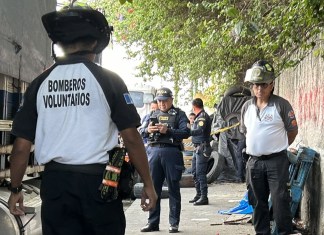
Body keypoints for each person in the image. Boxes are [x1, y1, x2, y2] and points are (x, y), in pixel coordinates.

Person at [7, 4, 157, 235]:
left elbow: (21, 147)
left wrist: (16, 188)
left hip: (56, 184)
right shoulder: (109, 80)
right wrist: (147, 183)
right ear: (96, 44)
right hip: (100, 182)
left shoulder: (40, 84)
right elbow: (131, 138)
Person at [240, 60, 298, 235]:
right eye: (256, 85)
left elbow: (292, 131)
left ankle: (284, 232)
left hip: (276, 162)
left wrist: (277, 147)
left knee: (281, 202)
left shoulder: (281, 105)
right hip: (254, 163)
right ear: (252, 86)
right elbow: (245, 132)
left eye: (264, 84)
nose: (259, 89)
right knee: (257, 203)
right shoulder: (246, 107)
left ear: (272, 84)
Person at [140, 87, 190, 233]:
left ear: (171, 100)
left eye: (165, 101)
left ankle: (174, 223)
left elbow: (186, 132)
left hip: (171, 153)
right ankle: (153, 222)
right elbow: (140, 131)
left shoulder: (180, 114)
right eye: (159, 101)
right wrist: (148, 130)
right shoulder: (152, 114)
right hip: (154, 152)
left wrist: (168, 130)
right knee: (153, 189)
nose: (162, 104)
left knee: (173, 189)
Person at [189, 98, 212, 205]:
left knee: (200, 173)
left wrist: (188, 131)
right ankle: (198, 194)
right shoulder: (199, 117)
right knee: (194, 172)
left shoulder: (202, 117)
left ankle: (204, 197)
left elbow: (200, 130)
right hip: (197, 148)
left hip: (202, 148)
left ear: (194, 107)